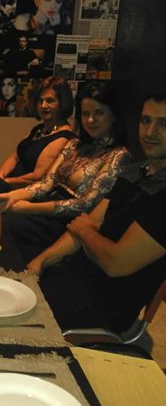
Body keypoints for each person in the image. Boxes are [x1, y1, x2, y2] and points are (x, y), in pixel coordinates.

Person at [27, 94, 166, 333]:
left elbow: (115, 263)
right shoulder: (135, 171)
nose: (150, 131)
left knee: (7, 318)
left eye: (163, 123)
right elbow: (90, 221)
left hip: (103, 307)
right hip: (74, 277)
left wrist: (85, 232)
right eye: (145, 121)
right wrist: (41, 262)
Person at [0, 81, 130, 260]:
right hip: (44, 209)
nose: (90, 120)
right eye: (86, 114)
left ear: (114, 115)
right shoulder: (74, 144)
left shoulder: (119, 155)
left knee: (5, 225)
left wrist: (29, 208)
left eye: (99, 113)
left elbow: (85, 205)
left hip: (67, 226)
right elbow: (46, 183)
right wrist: (13, 196)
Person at [0, 76, 75, 197]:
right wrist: (0, 175)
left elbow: (36, 177)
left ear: (62, 103)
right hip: (7, 184)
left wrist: (3, 181)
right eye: (40, 101)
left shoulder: (63, 137)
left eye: (50, 100)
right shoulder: (39, 129)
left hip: (23, 193)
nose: (43, 105)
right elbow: (15, 157)